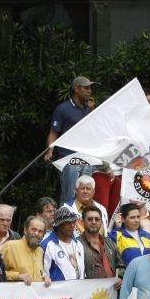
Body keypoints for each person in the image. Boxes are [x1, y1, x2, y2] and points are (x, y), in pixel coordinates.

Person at [45, 75, 95, 203]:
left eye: (90, 88)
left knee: (86, 195)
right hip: (69, 157)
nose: (90, 91)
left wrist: (91, 110)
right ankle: (65, 222)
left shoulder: (88, 107)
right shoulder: (63, 108)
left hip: (86, 156)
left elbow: (92, 130)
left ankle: (80, 222)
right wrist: (50, 151)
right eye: (86, 88)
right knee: (70, 195)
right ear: (76, 89)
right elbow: (54, 132)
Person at [80, 206, 125, 283]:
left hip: (110, 291)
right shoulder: (77, 244)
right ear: (83, 222)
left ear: (101, 223)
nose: (94, 222)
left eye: (97, 219)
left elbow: (120, 265)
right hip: (88, 292)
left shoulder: (110, 243)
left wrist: (120, 277)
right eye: (90, 219)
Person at [1, 215, 48, 285]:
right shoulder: (11, 247)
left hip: (34, 295)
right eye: (33, 229)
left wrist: (44, 278)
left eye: (40, 231)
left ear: (43, 235)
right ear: (25, 230)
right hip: (14, 294)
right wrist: (17, 276)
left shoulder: (40, 251)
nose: (36, 233)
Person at [42, 205, 84, 282]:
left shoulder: (78, 244)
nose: (72, 225)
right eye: (67, 222)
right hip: (57, 292)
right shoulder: (47, 245)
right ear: (58, 224)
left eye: (73, 222)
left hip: (78, 291)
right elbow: (44, 275)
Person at [111, 203, 150, 268]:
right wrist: (117, 229)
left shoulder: (147, 235)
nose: (136, 220)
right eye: (132, 217)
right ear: (123, 219)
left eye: (138, 217)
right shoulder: (116, 235)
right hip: (125, 276)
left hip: (147, 276)